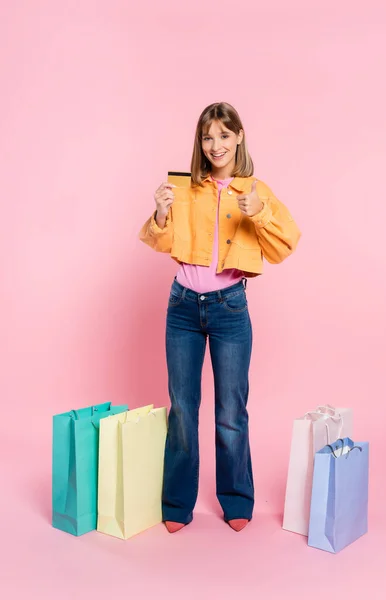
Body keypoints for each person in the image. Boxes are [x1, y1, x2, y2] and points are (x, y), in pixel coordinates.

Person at [139, 102, 301, 533]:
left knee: (232, 410)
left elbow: (286, 245)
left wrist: (258, 211)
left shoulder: (255, 190)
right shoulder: (186, 187)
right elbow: (160, 240)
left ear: (239, 137)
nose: (215, 145)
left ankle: (235, 499)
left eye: (224, 136)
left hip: (230, 308)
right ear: (201, 141)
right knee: (183, 409)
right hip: (183, 308)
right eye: (208, 137)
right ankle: (176, 504)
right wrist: (159, 212)